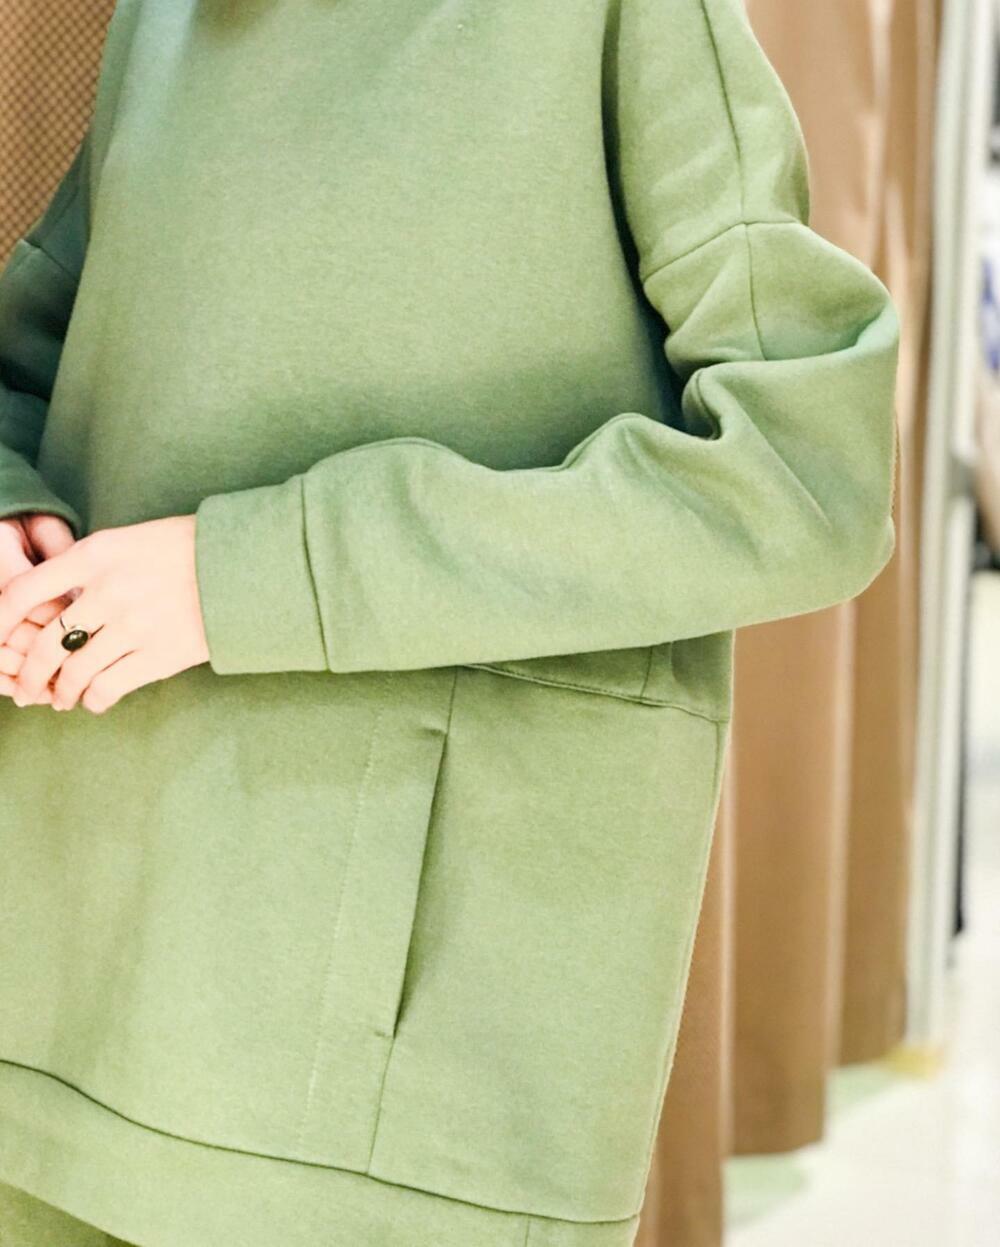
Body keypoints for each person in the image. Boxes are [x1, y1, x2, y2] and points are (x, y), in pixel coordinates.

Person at [0, 1, 900, 1244]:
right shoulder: (161, 19)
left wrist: (255, 573)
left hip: (404, 1058)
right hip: (63, 965)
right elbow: (35, 361)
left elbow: (802, 482)